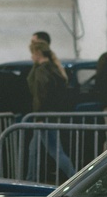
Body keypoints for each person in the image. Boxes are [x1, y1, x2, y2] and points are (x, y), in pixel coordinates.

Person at [25, 39, 75, 182]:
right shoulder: (54, 69)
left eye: (32, 54)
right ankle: (30, 178)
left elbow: (40, 94)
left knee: (56, 151)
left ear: (38, 53)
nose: (31, 57)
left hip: (43, 116)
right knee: (33, 150)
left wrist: (39, 115)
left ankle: (74, 177)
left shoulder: (41, 71)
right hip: (51, 115)